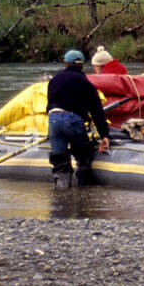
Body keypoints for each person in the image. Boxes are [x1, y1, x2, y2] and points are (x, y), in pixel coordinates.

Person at [46, 49, 111, 188]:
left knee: (60, 164)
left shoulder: (54, 80)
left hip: (53, 120)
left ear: (65, 63)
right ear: (82, 65)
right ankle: (84, 194)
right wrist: (104, 135)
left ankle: (62, 198)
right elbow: (96, 111)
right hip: (72, 120)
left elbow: (49, 105)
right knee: (83, 157)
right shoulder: (85, 83)